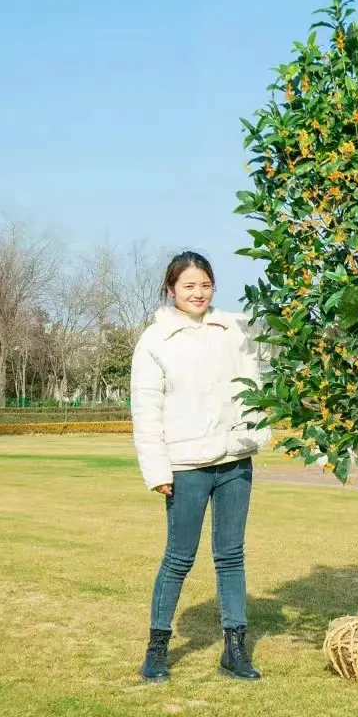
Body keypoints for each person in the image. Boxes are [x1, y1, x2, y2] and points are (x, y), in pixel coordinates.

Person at [130, 250, 271, 683]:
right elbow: (146, 409)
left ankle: (235, 649)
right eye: (189, 285)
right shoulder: (155, 340)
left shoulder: (234, 328)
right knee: (178, 558)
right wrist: (158, 471)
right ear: (171, 289)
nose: (198, 293)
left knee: (231, 556)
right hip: (185, 466)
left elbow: (271, 352)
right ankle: (157, 649)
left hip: (234, 459)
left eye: (205, 285)